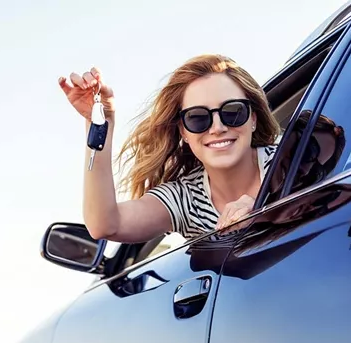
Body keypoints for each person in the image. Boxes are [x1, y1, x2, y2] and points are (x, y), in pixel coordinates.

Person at [58, 54, 281, 243]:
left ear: (252, 119)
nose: (218, 127)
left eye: (232, 111)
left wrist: (267, 206)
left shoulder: (292, 161)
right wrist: (100, 123)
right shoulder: (186, 199)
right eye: (197, 118)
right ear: (183, 131)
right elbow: (105, 225)